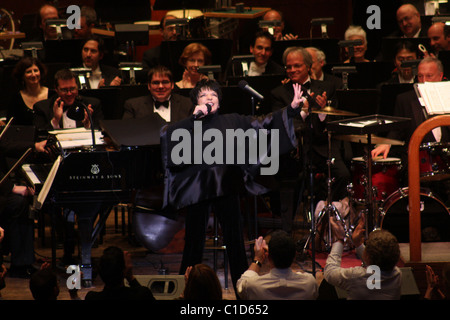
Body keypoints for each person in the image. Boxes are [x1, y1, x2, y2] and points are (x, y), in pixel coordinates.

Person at [161, 78, 303, 295]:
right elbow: (167, 136)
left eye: (214, 95)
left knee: (236, 243)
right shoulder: (187, 124)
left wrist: (291, 110)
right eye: (204, 96)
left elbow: (263, 123)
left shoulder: (233, 120)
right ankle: (185, 293)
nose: (209, 98)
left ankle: (243, 293)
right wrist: (193, 118)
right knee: (192, 244)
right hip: (198, 191)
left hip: (226, 187)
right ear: (196, 102)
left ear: (220, 102)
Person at [270, 46, 351, 203]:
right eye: (289, 67)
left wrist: (322, 113)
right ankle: (290, 222)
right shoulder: (278, 93)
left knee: (343, 174)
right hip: (295, 152)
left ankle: (326, 209)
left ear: (308, 66)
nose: (292, 70)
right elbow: (281, 124)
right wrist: (304, 112)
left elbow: (334, 123)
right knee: (288, 179)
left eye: (297, 66)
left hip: (322, 147)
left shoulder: (327, 88)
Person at [324, 216, 402, 300]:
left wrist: (340, 240)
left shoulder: (357, 276)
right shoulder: (397, 274)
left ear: (366, 256)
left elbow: (330, 272)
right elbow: (375, 266)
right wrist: (358, 244)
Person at [237, 230, 318, 300]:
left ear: (269, 257)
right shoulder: (309, 283)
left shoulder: (253, 286)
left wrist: (258, 258)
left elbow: (241, 285)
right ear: (294, 257)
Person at [33, 68, 104, 132]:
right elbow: (40, 136)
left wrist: (87, 125)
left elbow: (101, 133)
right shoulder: (41, 108)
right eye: (64, 90)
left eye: (72, 89)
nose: (69, 94)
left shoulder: (92, 105)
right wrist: (55, 120)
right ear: (56, 89)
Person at [122, 65, 193, 122]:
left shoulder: (188, 104)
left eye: (165, 82)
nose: (161, 86)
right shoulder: (133, 106)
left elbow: (196, 132)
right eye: (156, 83)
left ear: (172, 85)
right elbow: (127, 133)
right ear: (149, 86)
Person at [84, 246, 155, 300]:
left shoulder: (91, 297)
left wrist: (74, 294)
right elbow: (142, 294)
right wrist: (130, 277)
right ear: (124, 271)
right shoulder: (142, 295)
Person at [8, 57, 50, 126]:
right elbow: (11, 126)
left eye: (36, 70)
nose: (33, 75)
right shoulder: (16, 100)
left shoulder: (53, 95)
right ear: (22, 76)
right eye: (29, 72)